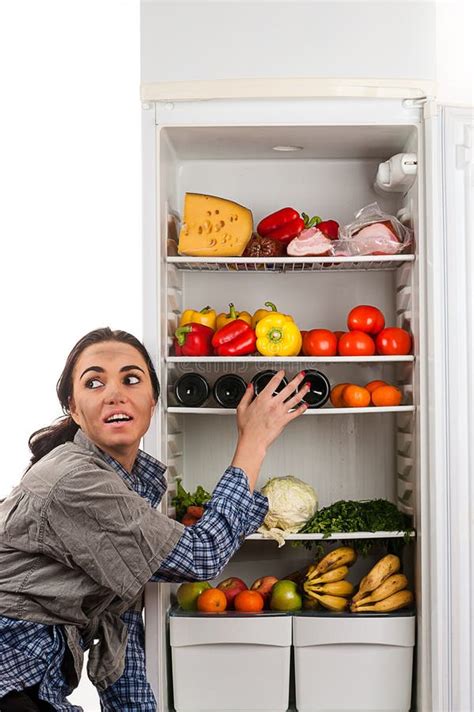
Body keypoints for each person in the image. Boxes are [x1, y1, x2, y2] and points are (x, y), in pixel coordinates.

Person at [0, 327, 309, 711]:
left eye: (131, 379)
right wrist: (254, 441)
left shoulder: (127, 487)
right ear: (74, 409)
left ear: (153, 401)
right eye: (94, 382)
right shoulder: (76, 480)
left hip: (27, 688)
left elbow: (121, 625)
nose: (114, 393)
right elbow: (202, 557)